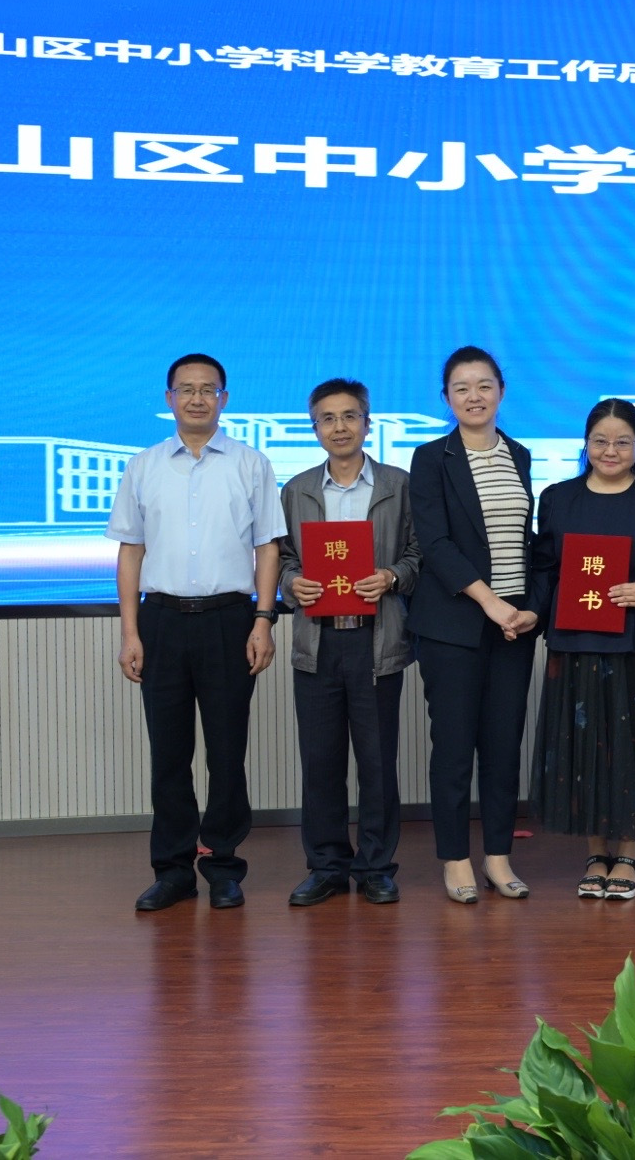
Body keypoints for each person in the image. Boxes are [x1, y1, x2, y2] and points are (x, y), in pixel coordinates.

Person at [108, 353, 285, 913]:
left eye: (208, 389)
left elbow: (268, 547)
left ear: (224, 399)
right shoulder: (143, 466)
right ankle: (173, 870)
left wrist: (263, 619)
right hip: (160, 620)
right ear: (169, 399)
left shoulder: (251, 464)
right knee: (169, 753)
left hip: (230, 620)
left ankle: (224, 867)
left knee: (227, 752)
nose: (197, 398)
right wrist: (130, 632)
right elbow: (131, 551)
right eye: (186, 389)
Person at [528, 399, 635, 901]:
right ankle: (595, 853)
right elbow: (544, 567)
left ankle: (628, 854)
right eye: (600, 441)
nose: (610, 450)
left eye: (623, 442)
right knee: (584, 746)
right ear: (585, 444)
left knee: (633, 745)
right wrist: (532, 614)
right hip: (575, 640)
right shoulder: (558, 498)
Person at [275, 379, 421, 906]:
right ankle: (326, 866)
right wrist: (291, 583)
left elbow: (419, 554)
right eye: (328, 419)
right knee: (321, 762)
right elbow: (281, 559)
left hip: (376, 643)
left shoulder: (399, 486)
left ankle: (376, 866)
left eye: (349, 416)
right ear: (314, 428)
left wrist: (392, 577)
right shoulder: (296, 491)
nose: (340, 427)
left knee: (377, 763)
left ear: (367, 422)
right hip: (317, 643)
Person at [408, 346, 540, 905]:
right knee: (454, 746)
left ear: (501, 391)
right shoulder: (430, 458)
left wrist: (528, 608)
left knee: (504, 745)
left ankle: (499, 856)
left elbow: (524, 541)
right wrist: (490, 603)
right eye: (461, 387)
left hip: (513, 626)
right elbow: (435, 543)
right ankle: (456, 858)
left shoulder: (519, 454)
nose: (474, 396)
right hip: (454, 625)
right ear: (446, 398)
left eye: (484, 385)